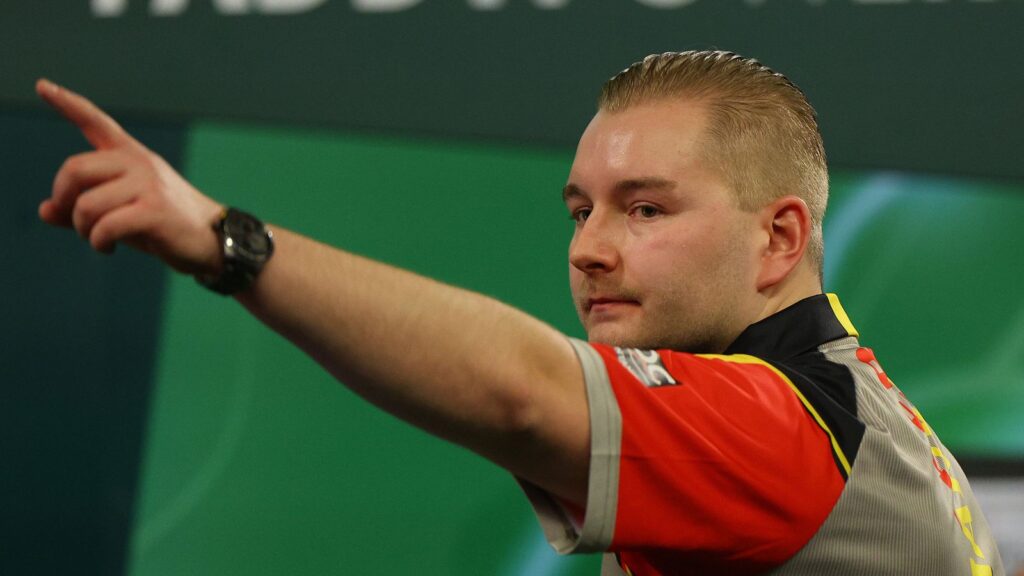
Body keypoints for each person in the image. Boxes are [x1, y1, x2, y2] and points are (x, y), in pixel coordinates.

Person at [36, 51, 1004, 575]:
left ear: (780, 239)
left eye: (646, 207)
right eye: (581, 209)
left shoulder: (789, 430)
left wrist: (226, 241)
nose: (587, 247)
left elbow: (522, 395)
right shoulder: (862, 422)